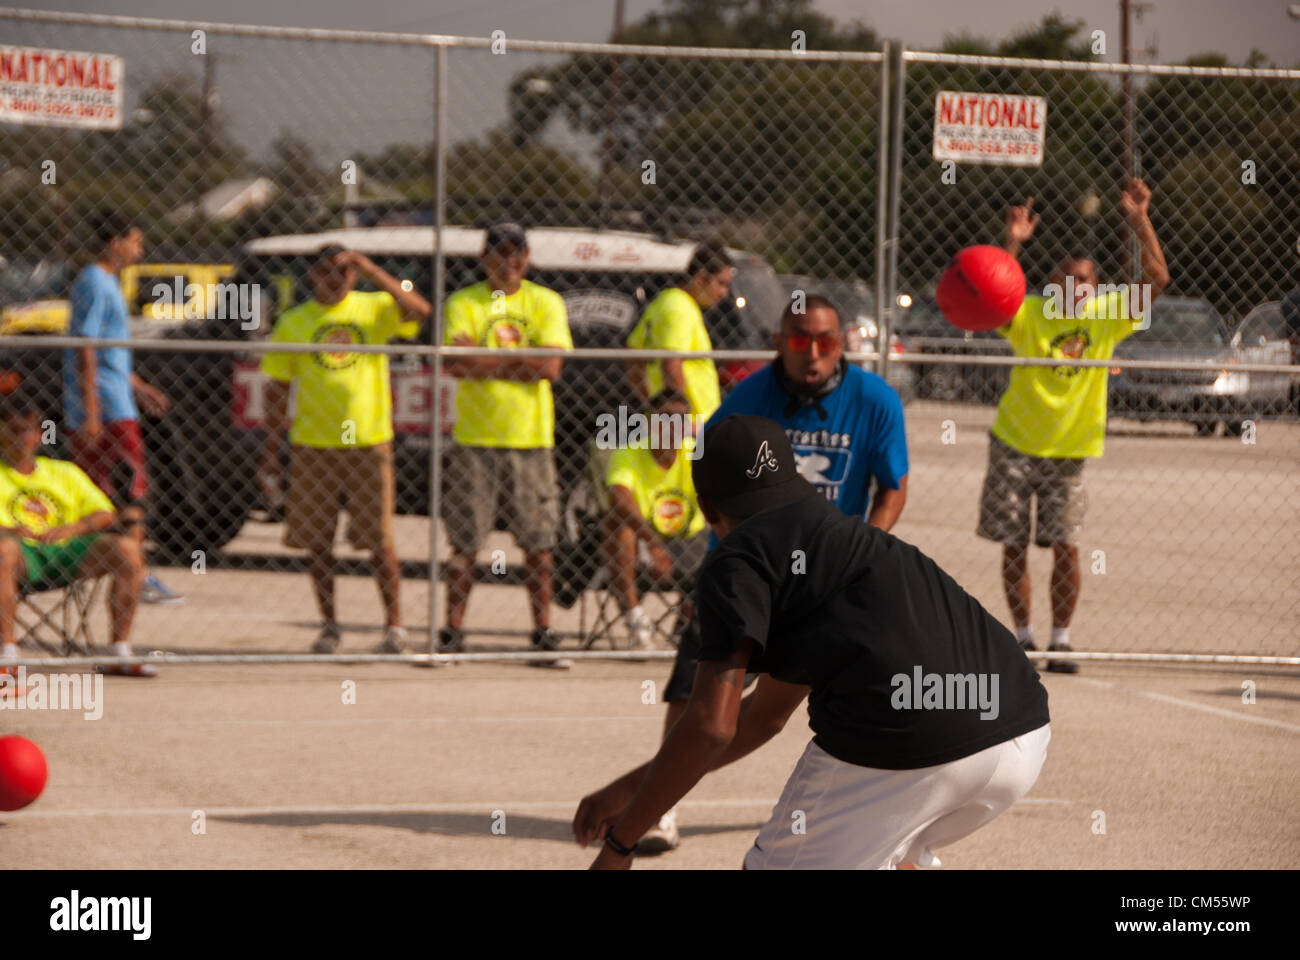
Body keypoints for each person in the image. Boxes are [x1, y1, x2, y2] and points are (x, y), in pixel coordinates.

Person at [573, 415, 1051, 869]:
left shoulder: (736, 562)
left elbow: (711, 726)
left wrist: (621, 841)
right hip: (1021, 734)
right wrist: (627, 789)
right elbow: (763, 717)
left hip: (916, 748)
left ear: (707, 507)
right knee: (893, 853)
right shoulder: (843, 536)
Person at [637, 293, 911, 853]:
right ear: (778, 344)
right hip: (755, 565)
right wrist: (721, 571)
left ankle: (899, 823)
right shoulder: (751, 396)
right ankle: (658, 805)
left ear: (842, 345)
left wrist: (865, 555)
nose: (812, 353)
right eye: (798, 339)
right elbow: (709, 475)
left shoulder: (876, 400)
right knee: (697, 680)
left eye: (826, 341)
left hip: (832, 571)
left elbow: (893, 487)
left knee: (873, 688)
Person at [981, 180, 1169, 673]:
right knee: (1014, 542)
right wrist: (1014, 241)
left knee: (1066, 544)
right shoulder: (1031, 314)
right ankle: (1022, 640)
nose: (1078, 287)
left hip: (1069, 449)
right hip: (1015, 443)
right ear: (1053, 283)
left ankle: (1060, 642)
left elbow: (1158, 276)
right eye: (1069, 279)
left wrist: (1139, 219)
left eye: (1086, 280)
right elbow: (991, 292)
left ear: (1096, 284)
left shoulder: (1107, 317)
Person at [259, 244, 431, 654]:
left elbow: (418, 311)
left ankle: (394, 626)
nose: (334, 279)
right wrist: (270, 450)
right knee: (318, 542)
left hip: (369, 441)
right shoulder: (295, 322)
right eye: (325, 271)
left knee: (379, 540)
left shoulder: (372, 308)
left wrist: (371, 269)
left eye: (342, 271)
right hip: (314, 444)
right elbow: (278, 389)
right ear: (313, 276)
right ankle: (330, 625)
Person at [439, 222, 574, 662]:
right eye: (499, 253)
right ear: (485, 258)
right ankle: (453, 630)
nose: (508, 261)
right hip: (475, 438)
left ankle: (543, 630)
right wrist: (521, 358)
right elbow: (457, 363)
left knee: (539, 542)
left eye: (517, 253)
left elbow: (550, 368)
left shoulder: (545, 301)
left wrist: (490, 359)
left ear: (527, 258)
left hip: (530, 438)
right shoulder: (464, 301)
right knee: (466, 542)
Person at [62, 211, 182, 606]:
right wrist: (93, 410)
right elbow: (86, 347)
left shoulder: (110, 282)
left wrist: (139, 385)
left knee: (126, 489)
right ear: (115, 243)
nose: (140, 250)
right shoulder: (95, 282)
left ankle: (131, 568)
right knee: (118, 491)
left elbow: (109, 351)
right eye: (135, 241)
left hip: (118, 398)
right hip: (106, 408)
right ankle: (134, 572)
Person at [0, 383, 152, 681]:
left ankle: (119, 650)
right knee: (2, 551)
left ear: (40, 435)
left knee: (127, 549)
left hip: (69, 551)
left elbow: (105, 513)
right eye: (13, 430)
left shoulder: (64, 472)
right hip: (21, 554)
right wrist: (10, 529)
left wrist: (72, 528)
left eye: (27, 430)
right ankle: (8, 652)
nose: (21, 438)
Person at [603, 389, 707, 651]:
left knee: (727, 530)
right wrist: (653, 543)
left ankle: (689, 626)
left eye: (682, 418)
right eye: (667, 417)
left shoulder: (697, 452)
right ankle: (636, 620)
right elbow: (619, 497)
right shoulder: (629, 451)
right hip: (643, 542)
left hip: (688, 542)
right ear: (649, 421)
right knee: (618, 526)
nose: (674, 425)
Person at [625, 240, 732, 424]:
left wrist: (652, 405)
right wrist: (679, 421)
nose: (724, 292)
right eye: (721, 283)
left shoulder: (666, 301)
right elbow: (671, 364)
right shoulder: (679, 307)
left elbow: (632, 355)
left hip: (682, 426)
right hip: (689, 430)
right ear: (700, 278)